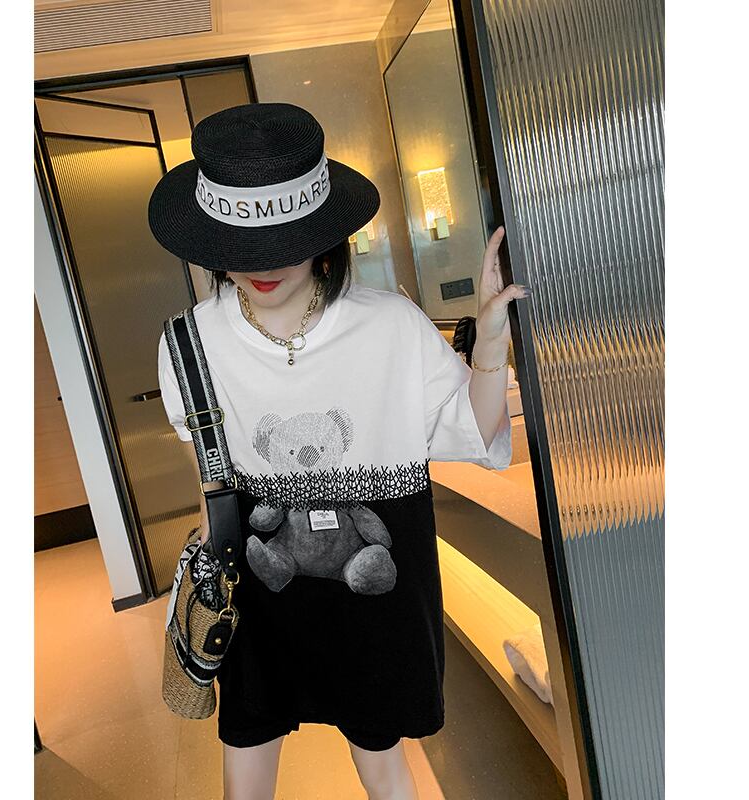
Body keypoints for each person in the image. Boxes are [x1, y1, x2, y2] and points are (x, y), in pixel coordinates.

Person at [149, 102, 530, 800]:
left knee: (384, 767)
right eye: (241, 246)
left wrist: (491, 340)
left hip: (372, 602)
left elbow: (473, 433)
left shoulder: (390, 326)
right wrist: (203, 575)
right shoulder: (188, 346)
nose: (262, 267)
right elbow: (213, 485)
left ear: (323, 236)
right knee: (245, 767)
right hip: (261, 593)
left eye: (284, 240)